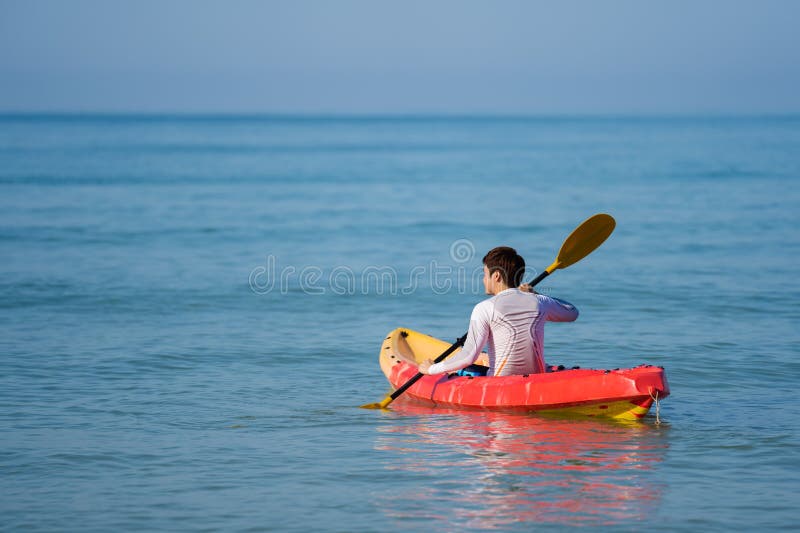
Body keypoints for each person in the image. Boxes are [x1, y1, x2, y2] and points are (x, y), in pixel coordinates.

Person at [418, 246, 579, 377]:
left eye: (484, 274)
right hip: (537, 378)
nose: (483, 280)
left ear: (496, 276)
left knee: (464, 370)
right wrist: (536, 294)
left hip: (501, 383)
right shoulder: (539, 302)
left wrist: (431, 369)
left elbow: (468, 356)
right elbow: (572, 312)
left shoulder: (484, 308)